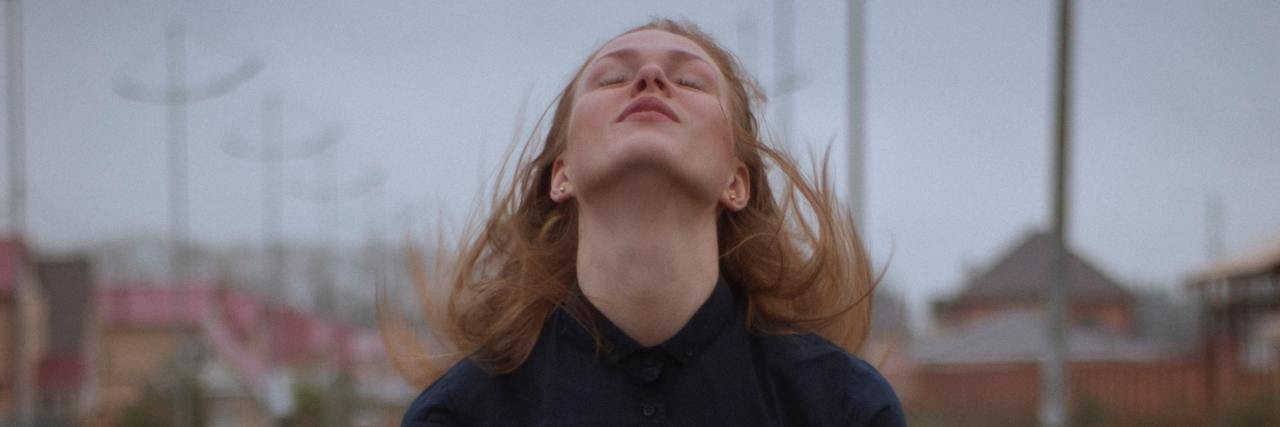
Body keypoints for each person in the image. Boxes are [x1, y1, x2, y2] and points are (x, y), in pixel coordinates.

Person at [388, 18, 905, 426]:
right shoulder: (461, 414)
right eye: (612, 77)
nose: (649, 79)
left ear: (737, 182)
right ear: (561, 174)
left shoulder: (844, 408)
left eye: (689, 80)